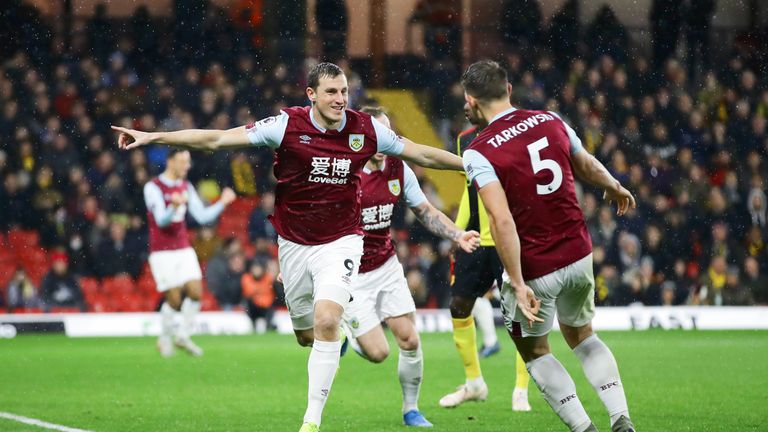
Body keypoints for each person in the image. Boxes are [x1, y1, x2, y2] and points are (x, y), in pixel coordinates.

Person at [113, 62, 464, 432]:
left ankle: (311, 422)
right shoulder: (285, 125)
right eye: (331, 92)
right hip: (295, 245)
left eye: (344, 91)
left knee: (327, 318)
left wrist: (469, 167)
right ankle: (337, 334)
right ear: (311, 94)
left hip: (343, 240)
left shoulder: (367, 129)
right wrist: (154, 138)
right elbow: (216, 139)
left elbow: (421, 154)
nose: (340, 99)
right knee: (305, 336)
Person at [460, 60, 636, 432]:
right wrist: (613, 184)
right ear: (508, 90)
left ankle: (583, 428)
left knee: (535, 351)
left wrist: (518, 282)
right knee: (583, 334)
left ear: (472, 101)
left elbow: (501, 219)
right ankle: (621, 418)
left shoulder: (479, 150)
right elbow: (585, 163)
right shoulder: (550, 119)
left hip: (538, 266)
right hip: (578, 251)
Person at [341, 106, 480, 428]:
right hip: (350, 272)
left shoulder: (397, 168)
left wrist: (457, 234)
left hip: (386, 265)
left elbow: (425, 210)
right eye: (380, 133)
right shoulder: (346, 171)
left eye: (390, 133)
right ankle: (344, 327)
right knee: (378, 353)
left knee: (410, 340)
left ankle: (411, 410)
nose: (388, 139)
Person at [440, 104, 532, 412]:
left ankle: (521, 389)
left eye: (470, 98)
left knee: (520, 314)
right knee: (459, 305)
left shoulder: (515, 135)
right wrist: (457, 231)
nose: (465, 105)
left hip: (509, 238)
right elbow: (470, 189)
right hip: (476, 238)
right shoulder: (465, 140)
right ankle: (475, 383)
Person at [143, 148, 237, 357]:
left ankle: (183, 336)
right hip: (162, 252)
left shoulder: (186, 186)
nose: (187, 166)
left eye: (188, 162)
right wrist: (173, 207)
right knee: (175, 299)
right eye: (183, 162)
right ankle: (165, 338)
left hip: (183, 247)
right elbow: (161, 220)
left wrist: (222, 202)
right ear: (171, 162)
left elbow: (202, 217)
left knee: (196, 291)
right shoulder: (153, 187)